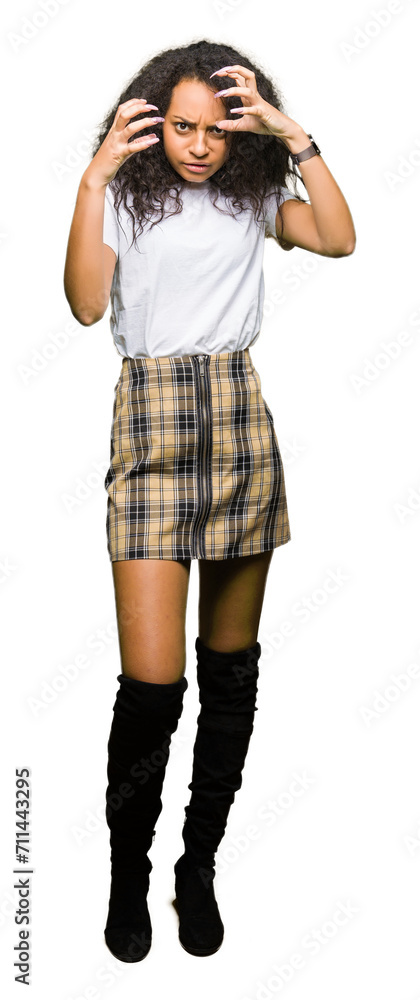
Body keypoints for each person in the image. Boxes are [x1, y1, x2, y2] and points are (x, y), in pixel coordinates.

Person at [63, 38, 356, 964]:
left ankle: (197, 867)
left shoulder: (254, 191)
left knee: (230, 674)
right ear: (153, 125)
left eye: (214, 128)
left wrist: (294, 137)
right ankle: (126, 871)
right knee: (151, 691)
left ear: (239, 126)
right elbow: (81, 305)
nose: (196, 146)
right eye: (180, 127)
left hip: (237, 424)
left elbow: (341, 237)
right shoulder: (121, 193)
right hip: (148, 426)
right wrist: (89, 181)